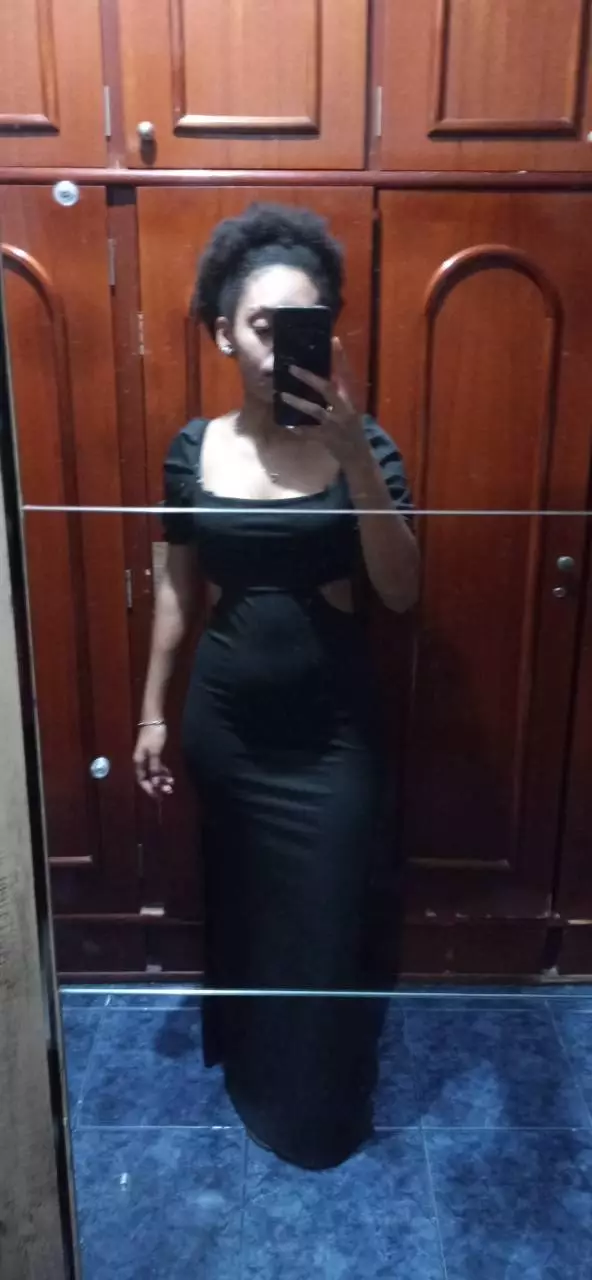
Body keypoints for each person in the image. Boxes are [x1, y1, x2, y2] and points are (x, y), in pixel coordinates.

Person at [133, 203, 418, 1169]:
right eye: (263, 325)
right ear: (223, 333)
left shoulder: (365, 447)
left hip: (334, 736)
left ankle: (318, 1112)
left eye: (307, 324)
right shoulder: (192, 449)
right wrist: (152, 713)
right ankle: (254, 1074)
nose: (281, 345)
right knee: (249, 909)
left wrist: (355, 458)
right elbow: (177, 588)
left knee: (328, 921)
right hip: (225, 726)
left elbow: (400, 589)